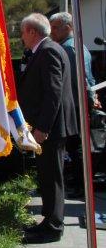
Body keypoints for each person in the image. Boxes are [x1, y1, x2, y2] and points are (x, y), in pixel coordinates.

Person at [18, 13, 78, 243]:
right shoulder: (46, 50)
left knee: (52, 177)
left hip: (50, 128)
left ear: (33, 32)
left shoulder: (49, 51)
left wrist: (42, 128)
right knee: (46, 175)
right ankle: (48, 219)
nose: (22, 38)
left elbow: (53, 93)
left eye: (23, 32)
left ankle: (53, 227)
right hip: (48, 127)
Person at [49, 12, 99, 198]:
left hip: (75, 105)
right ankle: (80, 184)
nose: (51, 32)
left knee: (75, 146)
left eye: (55, 27)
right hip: (80, 103)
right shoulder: (79, 46)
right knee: (76, 145)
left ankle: (80, 186)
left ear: (68, 27)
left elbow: (76, 81)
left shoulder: (68, 49)